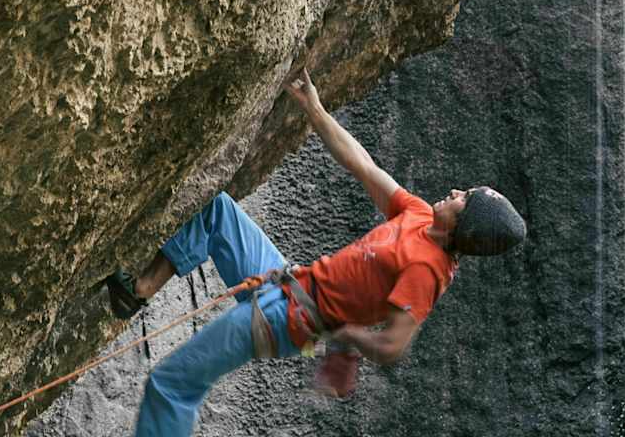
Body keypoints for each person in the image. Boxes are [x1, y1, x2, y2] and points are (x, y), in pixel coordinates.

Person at [98, 67, 527, 437]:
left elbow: (395, 344)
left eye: (463, 198)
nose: (454, 192)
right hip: (286, 282)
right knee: (217, 210)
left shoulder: (428, 270)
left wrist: (348, 337)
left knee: (172, 384)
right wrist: (314, 108)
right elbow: (362, 164)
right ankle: (137, 290)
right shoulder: (417, 215)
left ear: (464, 226)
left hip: (285, 320)